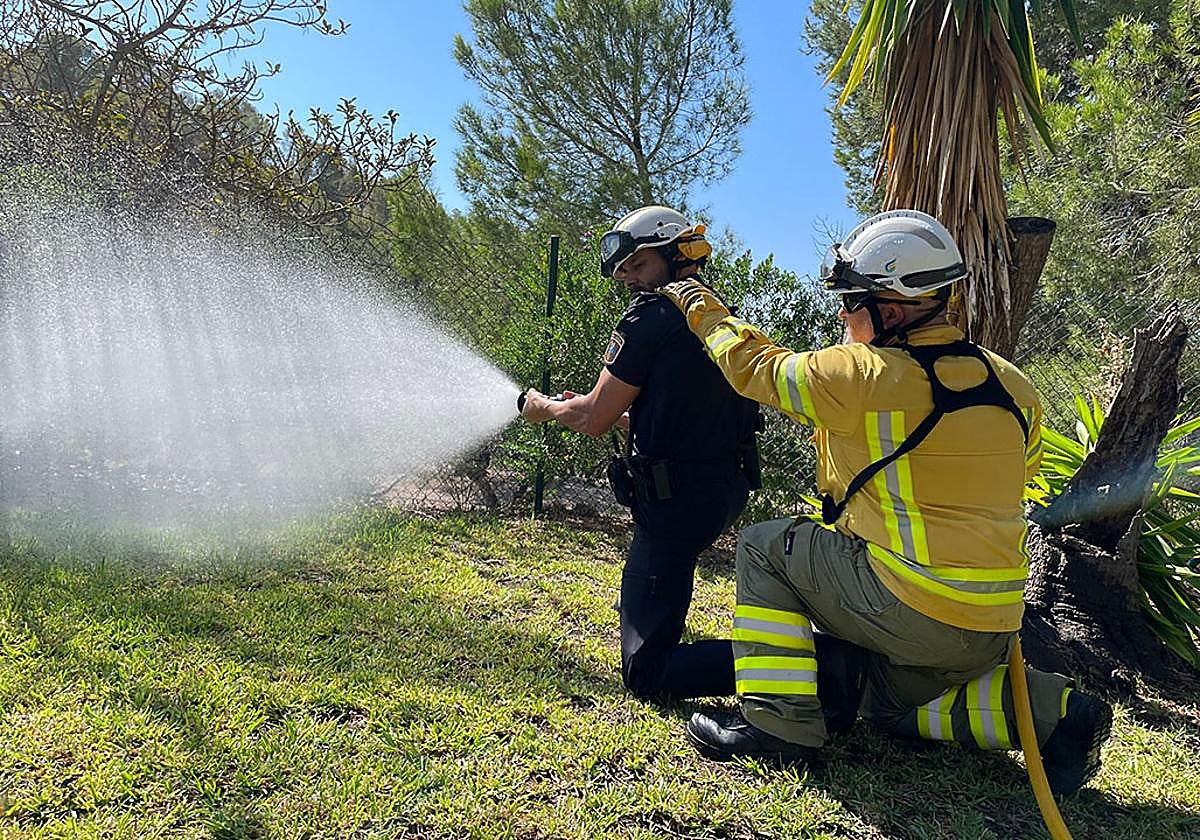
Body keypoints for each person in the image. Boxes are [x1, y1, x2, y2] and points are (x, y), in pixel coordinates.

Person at [654, 209, 1112, 796]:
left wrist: (697, 302)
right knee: (888, 709)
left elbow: (755, 369)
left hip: (911, 609)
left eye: (850, 303)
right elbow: (1013, 477)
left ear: (889, 310)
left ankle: (778, 723)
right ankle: (1057, 713)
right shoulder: (1015, 388)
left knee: (763, 546)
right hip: (992, 622)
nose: (843, 317)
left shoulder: (863, 374)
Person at [520, 205, 760, 703]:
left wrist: (543, 406)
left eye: (638, 264)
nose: (629, 278)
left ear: (676, 256)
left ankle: (808, 664)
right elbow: (688, 415)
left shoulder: (651, 318)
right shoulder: (716, 318)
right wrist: (624, 417)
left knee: (646, 673)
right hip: (721, 495)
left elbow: (591, 420)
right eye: (623, 270)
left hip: (674, 509)